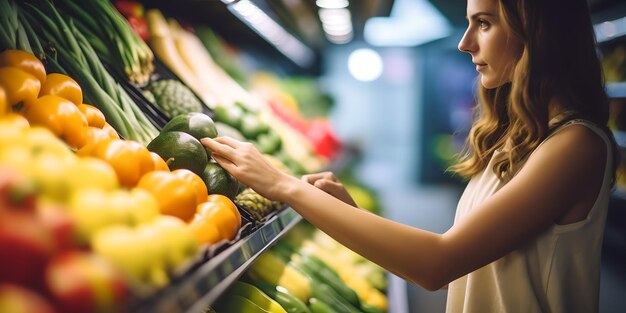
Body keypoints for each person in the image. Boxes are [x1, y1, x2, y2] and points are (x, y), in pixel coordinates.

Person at [202, 0, 619, 311]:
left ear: (538, 33)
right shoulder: (522, 139)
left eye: (484, 23)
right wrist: (348, 211)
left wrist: (285, 186)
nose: (464, 42)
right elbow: (469, 250)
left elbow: (439, 263)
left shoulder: (576, 145)